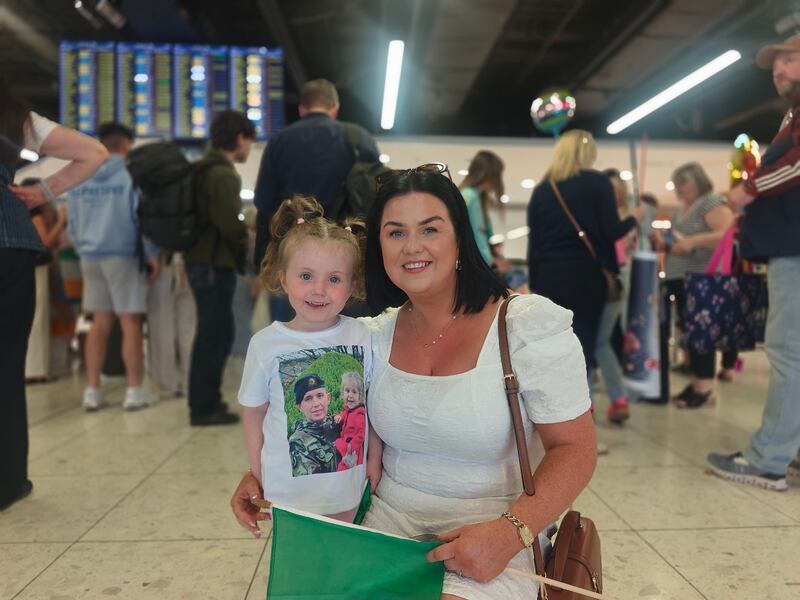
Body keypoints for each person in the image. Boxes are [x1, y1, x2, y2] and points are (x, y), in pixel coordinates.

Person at [232, 164, 597, 598]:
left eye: (430, 229)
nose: (412, 247)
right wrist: (261, 473)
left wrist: (508, 533)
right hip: (386, 525)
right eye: (396, 232)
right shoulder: (371, 337)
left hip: (493, 532)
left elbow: (575, 447)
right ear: (379, 249)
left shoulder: (525, 326)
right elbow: (309, 413)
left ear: (460, 237)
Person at [1, 78, 108, 510]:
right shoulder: (13, 113)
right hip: (9, 241)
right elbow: (92, 152)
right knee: (7, 365)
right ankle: (7, 482)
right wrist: (43, 192)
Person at [237, 195, 377, 522]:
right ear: (283, 278)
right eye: (305, 276)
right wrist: (258, 475)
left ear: (351, 285)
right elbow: (254, 414)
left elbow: (372, 405)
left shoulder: (362, 336)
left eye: (334, 279)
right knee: (299, 565)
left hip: (349, 489)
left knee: (343, 560)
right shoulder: (266, 344)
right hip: (286, 494)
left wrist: (375, 459)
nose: (319, 290)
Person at [708, 34, 800, 490]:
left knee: (788, 352)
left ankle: (768, 459)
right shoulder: (792, 114)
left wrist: (749, 190)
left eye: (786, 60)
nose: (777, 70)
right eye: (774, 64)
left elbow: (796, 166)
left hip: (795, 250)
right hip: (790, 246)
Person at [252, 78, 380, 321]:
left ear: (301, 110)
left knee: (289, 338)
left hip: (292, 258)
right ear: (335, 108)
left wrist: (262, 260)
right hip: (345, 261)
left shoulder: (279, 142)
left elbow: (265, 205)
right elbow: (374, 200)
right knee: (345, 336)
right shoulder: (358, 138)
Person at [527, 130, 645, 379]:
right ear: (589, 153)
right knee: (584, 342)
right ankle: (580, 408)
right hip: (587, 275)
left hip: (549, 276)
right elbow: (611, 231)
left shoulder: (542, 190)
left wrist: (535, 282)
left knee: (552, 342)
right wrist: (633, 218)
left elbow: (534, 243)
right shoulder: (598, 183)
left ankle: (548, 404)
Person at [66, 122, 160, 412]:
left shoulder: (82, 174)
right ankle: (134, 390)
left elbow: (71, 222)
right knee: (130, 321)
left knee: (98, 322)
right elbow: (139, 215)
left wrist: (84, 247)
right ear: (126, 145)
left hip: (90, 256)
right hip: (123, 254)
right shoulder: (130, 173)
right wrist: (151, 252)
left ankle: (92, 390)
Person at [184, 110, 252, 426]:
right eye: (248, 140)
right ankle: (203, 406)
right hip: (214, 264)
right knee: (214, 334)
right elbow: (228, 223)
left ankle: (207, 400)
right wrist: (243, 253)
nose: (248, 148)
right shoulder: (223, 174)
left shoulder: (202, 168)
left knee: (214, 332)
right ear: (239, 138)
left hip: (202, 262)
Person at [650, 162, 735, 408]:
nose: (678, 189)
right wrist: (666, 244)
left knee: (701, 334)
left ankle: (704, 387)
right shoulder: (682, 209)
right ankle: (698, 381)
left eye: (682, 183)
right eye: (676, 184)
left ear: (696, 181)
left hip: (702, 279)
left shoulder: (711, 202)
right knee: (689, 333)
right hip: (681, 277)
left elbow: (726, 234)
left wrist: (693, 241)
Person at [595, 168, 636, 424]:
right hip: (618, 284)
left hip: (608, 282)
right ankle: (618, 398)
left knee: (594, 341)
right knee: (602, 342)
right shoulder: (627, 219)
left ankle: (591, 402)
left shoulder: (607, 220)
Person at [23, 178, 68, 382]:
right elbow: (44, 242)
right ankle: (36, 370)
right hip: (37, 268)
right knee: (38, 317)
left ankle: (36, 368)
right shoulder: (36, 214)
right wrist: (60, 223)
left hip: (27, 268)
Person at [146, 251, 195, 399]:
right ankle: (190, 383)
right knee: (189, 331)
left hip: (163, 264)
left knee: (162, 328)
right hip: (189, 265)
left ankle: (166, 385)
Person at [459, 150, 504, 267]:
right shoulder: (469, 197)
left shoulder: (477, 198)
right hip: (473, 267)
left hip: (478, 266)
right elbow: (474, 237)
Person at [289, 374, 339, 477]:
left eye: (320, 396)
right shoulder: (299, 442)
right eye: (308, 399)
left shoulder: (339, 423)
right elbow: (310, 485)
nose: (316, 404)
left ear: (328, 398)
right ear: (299, 407)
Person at [333, 371, 367, 471]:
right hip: (345, 445)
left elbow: (361, 434)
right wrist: (339, 416)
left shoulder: (359, 413)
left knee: (343, 469)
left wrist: (351, 448)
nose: (350, 395)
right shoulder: (349, 410)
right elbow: (345, 413)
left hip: (352, 451)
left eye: (354, 392)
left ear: (360, 396)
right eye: (347, 391)